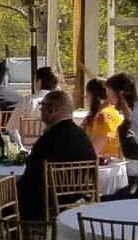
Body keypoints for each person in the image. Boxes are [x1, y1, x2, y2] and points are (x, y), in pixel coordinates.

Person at [16, 90, 97, 219]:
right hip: (78, 204)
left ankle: (15, 239)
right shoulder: (82, 136)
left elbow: (30, 181)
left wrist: (8, 193)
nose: (40, 110)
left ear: (53, 111)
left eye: (42, 106)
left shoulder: (48, 140)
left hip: (45, 208)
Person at [4, 66, 59, 133]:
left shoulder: (27, 101)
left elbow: (11, 127)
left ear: (39, 81)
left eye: (34, 80)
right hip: (54, 142)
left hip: (28, 143)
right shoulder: (60, 103)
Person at [81, 78, 123, 157]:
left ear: (95, 96)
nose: (85, 97)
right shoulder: (97, 116)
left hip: (105, 167)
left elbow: (92, 150)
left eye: (87, 93)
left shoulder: (104, 116)